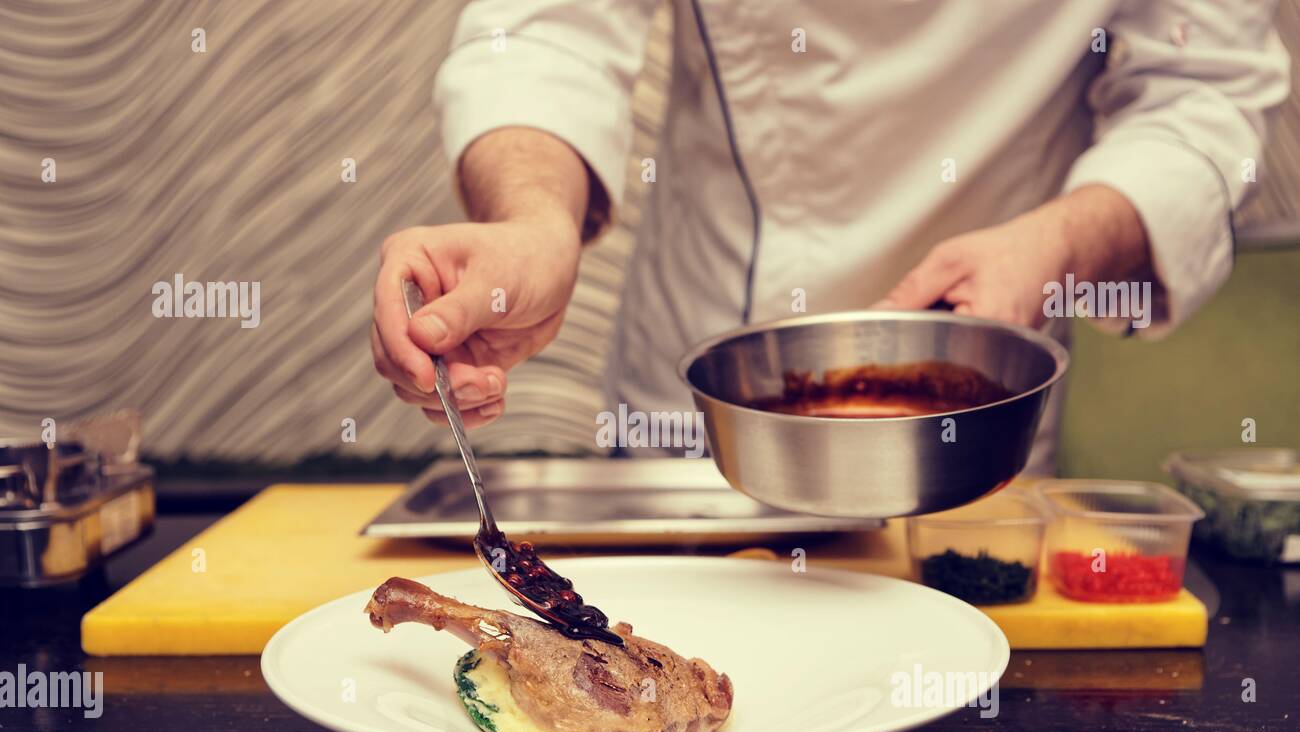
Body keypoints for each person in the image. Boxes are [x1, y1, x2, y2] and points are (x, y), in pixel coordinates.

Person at [371, 0, 1289, 473]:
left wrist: (1056, 248)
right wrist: (533, 222)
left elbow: (1203, 87)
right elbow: (546, 32)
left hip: (981, 418)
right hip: (709, 407)